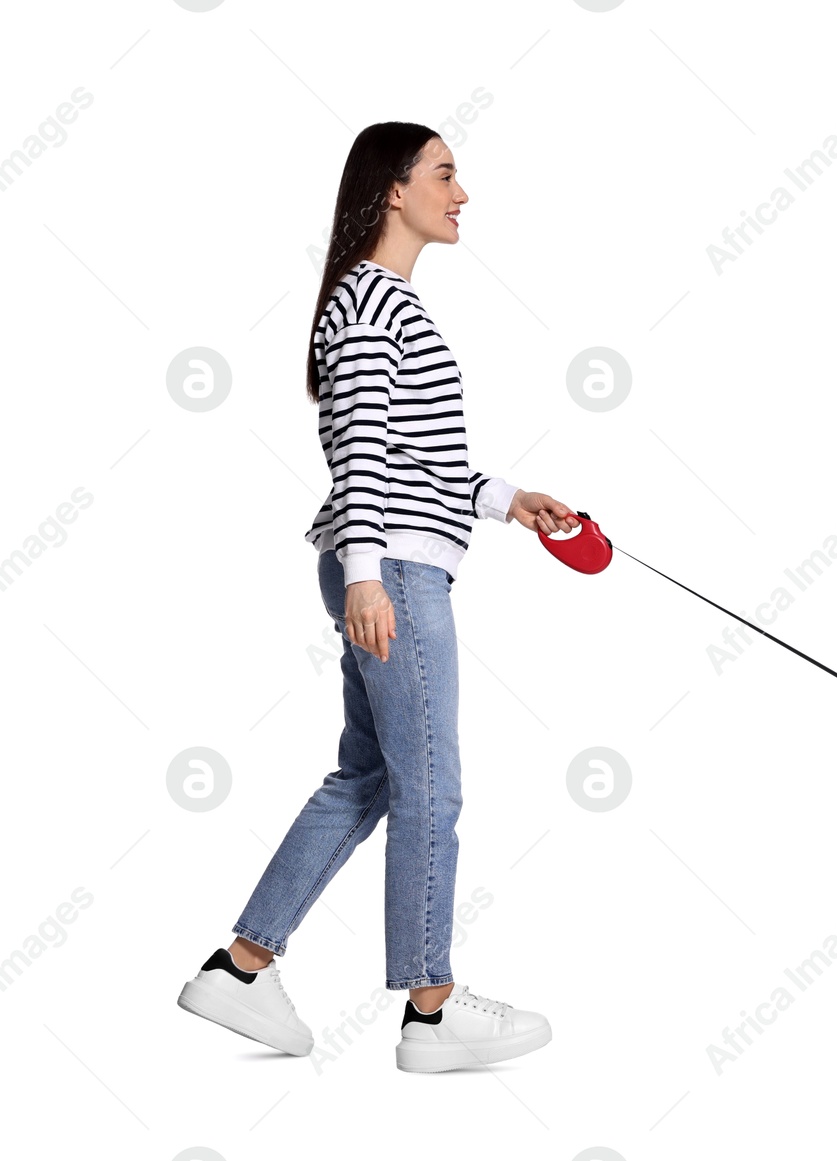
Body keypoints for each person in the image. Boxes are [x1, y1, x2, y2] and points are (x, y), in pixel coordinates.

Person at [176, 123, 577, 1074]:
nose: (462, 194)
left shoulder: (381, 304)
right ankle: (432, 1011)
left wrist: (509, 500)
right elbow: (359, 455)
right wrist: (365, 574)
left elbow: (416, 458)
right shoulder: (370, 308)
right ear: (393, 190)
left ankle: (241, 967)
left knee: (372, 779)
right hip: (390, 568)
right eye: (445, 174)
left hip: (392, 558)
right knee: (432, 782)